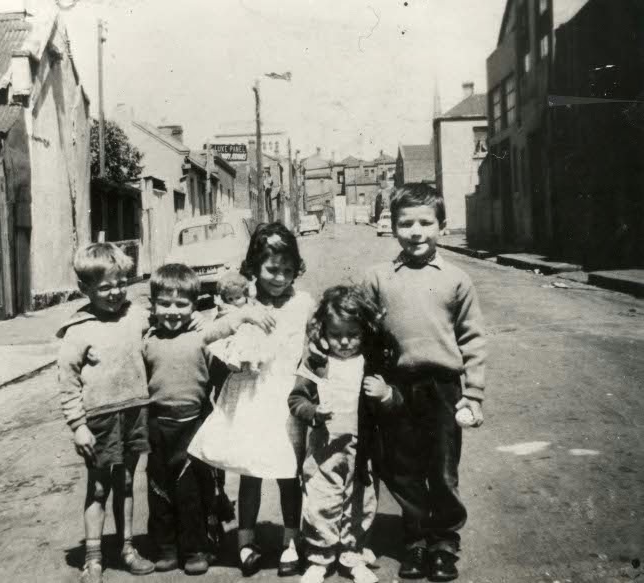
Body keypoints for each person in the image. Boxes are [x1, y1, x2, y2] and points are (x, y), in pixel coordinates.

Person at [360, 183, 487, 582]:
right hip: (396, 387)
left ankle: (444, 543)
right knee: (401, 466)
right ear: (392, 227)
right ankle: (415, 540)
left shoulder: (456, 279)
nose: (416, 232)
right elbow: (361, 334)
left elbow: (473, 339)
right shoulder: (378, 278)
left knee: (443, 468)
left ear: (442, 226)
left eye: (425, 223)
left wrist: (474, 394)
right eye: (405, 223)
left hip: (444, 387)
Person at [189, 222, 315, 577]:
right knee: (250, 471)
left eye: (288, 271)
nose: (280, 278)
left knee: (289, 471)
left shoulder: (303, 303)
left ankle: (292, 539)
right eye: (272, 269)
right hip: (251, 394)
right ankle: (245, 540)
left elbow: (312, 347)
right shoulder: (241, 303)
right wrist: (241, 320)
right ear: (254, 266)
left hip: (287, 396)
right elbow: (209, 338)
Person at [142, 263, 274, 575]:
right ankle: (166, 548)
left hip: (193, 423)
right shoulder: (147, 339)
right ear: (153, 305)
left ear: (194, 306)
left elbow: (223, 332)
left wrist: (243, 315)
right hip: (158, 425)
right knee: (158, 489)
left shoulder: (201, 334)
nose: (173, 311)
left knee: (190, 491)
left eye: (181, 304)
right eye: (165, 304)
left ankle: (195, 548)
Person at [56, 243, 155, 583]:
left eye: (120, 283)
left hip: (135, 412)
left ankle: (127, 548)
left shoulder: (138, 315)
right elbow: (68, 384)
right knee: (98, 488)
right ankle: (93, 558)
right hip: (99, 418)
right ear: (85, 289)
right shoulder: (77, 330)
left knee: (126, 482)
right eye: (105, 286)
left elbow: (163, 337)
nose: (115, 292)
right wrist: (78, 426)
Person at [288, 286, 386, 583]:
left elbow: (391, 403)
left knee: (360, 502)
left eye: (353, 334)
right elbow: (296, 399)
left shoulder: (370, 363)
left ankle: (352, 554)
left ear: (365, 331)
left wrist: (385, 394)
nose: (344, 342)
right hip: (324, 450)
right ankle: (320, 557)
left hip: (362, 450)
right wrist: (313, 412)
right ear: (323, 330)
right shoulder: (317, 362)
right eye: (336, 334)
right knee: (322, 501)